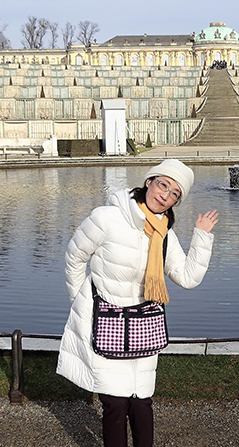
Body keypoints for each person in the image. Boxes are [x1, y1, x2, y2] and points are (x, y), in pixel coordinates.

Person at [57, 159, 218, 447]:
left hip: (145, 324)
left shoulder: (164, 232)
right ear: (149, 181)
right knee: (115, 404)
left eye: (174, 194)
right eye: (163, 184)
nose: (165, 195)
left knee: (142, 403)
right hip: (107, 321)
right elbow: (74, 258)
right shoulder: (106, 218)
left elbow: (187, 276)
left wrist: (202, 237)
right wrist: (81, 302)